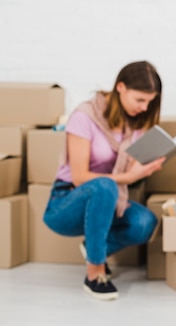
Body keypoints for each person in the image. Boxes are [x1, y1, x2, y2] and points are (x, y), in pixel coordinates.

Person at [43, 60, 165, 301]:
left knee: (144, 222)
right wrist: (128, 176)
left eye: (149, 102)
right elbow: (79, 178)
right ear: (120, 87)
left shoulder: (135, 123)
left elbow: (126, 172)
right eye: (140, 100)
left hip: (108, 199)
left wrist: (142, 168)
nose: (144, 107)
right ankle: (94, 274)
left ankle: (93, 248)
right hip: (66, 201)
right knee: (105, 185)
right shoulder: (84, 116)